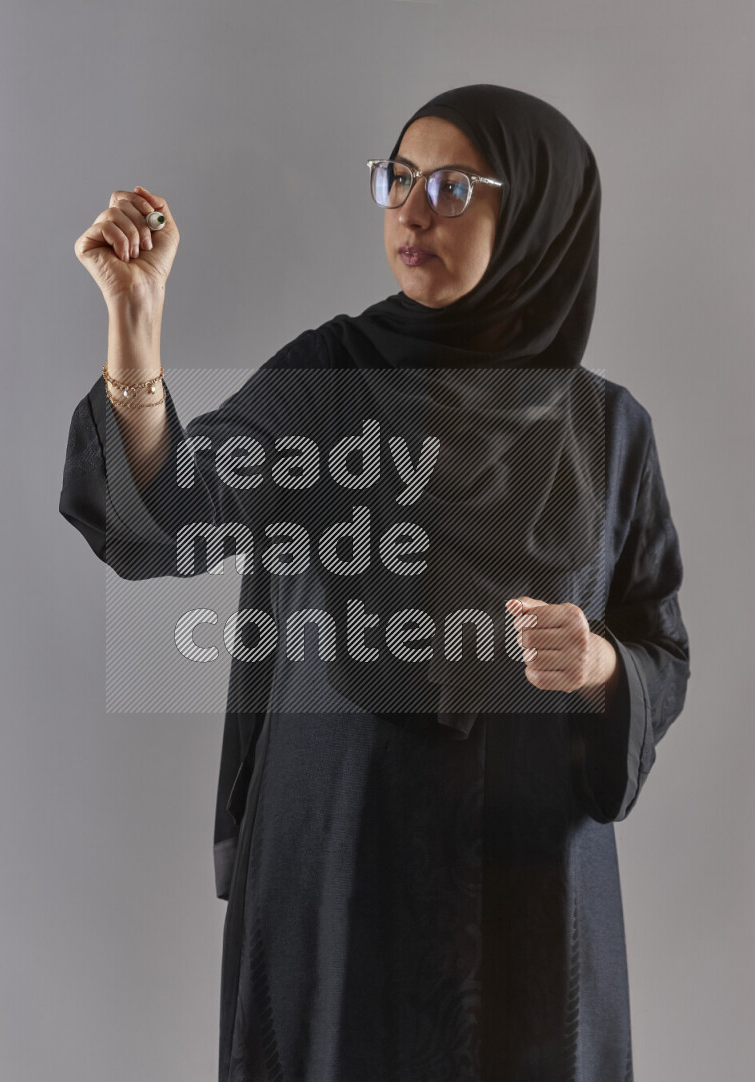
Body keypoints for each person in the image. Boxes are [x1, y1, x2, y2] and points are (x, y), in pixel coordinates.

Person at [60, 84, 691, 1082]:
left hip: (526, 881)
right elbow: (174, 519)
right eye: (396, 178)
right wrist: (135, 330)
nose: (409, 209)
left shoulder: (606, 431)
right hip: (339, 855)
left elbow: (657, 645)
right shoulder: (328, 381)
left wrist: (602, 663)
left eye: (449, 184)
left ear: (532, 213)